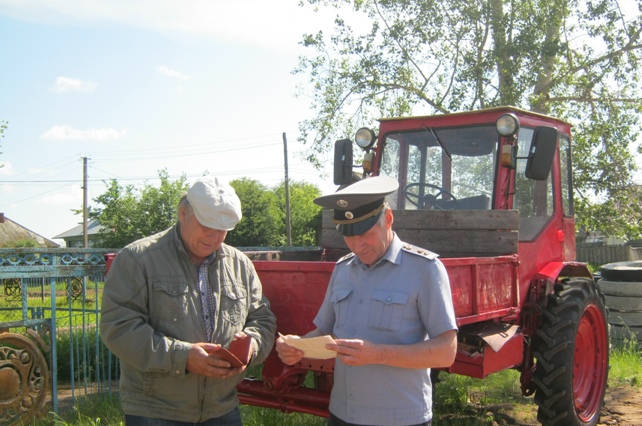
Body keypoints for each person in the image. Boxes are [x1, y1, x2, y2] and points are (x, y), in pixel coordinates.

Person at [276, 175, 458, 426]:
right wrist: (297, 347)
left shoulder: (425, 269)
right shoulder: (343, 269)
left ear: (389, 219)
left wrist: (378, 354)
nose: (357, 246)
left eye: (366, 234)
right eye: (349, 237)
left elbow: (446, 352)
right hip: (342, 415)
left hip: (400, 418)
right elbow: (323, 331)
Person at [100, 176, 276, 426]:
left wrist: (251, 347)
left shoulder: (240, 265)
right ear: (183, 213)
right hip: (156, 411)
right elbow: (118, 329)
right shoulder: (138, 260)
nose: (215, 237)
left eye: (223, 229)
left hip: (221, 406)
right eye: (207, 226)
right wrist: (183, 357)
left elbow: (262, 320)